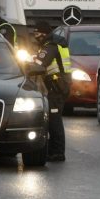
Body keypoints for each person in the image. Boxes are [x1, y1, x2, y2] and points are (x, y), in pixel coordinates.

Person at [31, 20, 72, 162]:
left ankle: (58, 153)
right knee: (53, 119)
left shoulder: (51, 46)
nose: (35, 37)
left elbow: (40, 64)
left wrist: (27, 64)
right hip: (58, 85)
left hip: (57, 85)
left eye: (37, 33)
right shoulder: (52, 44)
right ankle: (53, 151)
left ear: (44, 33)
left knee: (54, 120)